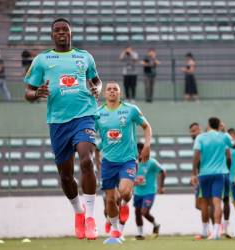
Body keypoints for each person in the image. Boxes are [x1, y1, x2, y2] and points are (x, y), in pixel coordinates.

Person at [24, 18, 103, 240]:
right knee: (66, 176)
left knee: (87, 160)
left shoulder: (84, 56)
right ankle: (79, 211)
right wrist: (37, 93)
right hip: (58, 122)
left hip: (85, 115)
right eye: (57, 30)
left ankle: (90, 218)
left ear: (70, 33)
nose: (61, 33)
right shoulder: (41, 60)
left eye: (65, 30)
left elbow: (97, 81)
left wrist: (97, 89)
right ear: (52, 35)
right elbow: (28, 93)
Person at [95, 82, 152, 242]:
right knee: (111, 199)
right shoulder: (98, 114)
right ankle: (114, 231)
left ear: (120, 93)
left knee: (125, 191)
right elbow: (90, 136)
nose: (112, 91)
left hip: (128, 160)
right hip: (108, 162)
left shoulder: (130, 110)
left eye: (115, 89)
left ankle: (125, 202)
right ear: (104, 94)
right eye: (109, 89)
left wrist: (147, 146)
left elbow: (147, 127)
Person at [191, 117, 233, 240]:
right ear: (218, 125)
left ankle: (204, 231)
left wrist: (194, 173)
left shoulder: (201, 137)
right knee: (217, 202)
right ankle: (216, 232)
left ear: (208, 125)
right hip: (220, 173)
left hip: (204, 174)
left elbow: (196, 156)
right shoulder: (224, 136)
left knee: (204, 202)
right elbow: (233, 148)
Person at [134, 142, 166, 240]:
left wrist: (161, 186)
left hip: (149, 192)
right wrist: (133, 182)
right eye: (137, 151)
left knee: (144, 212)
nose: (139, 153)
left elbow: (163, 172)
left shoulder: (152, 162)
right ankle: (140, 234)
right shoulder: (133, 163)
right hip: (137, 192)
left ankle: (156, 225)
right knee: (137, 212)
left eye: (140, 151)